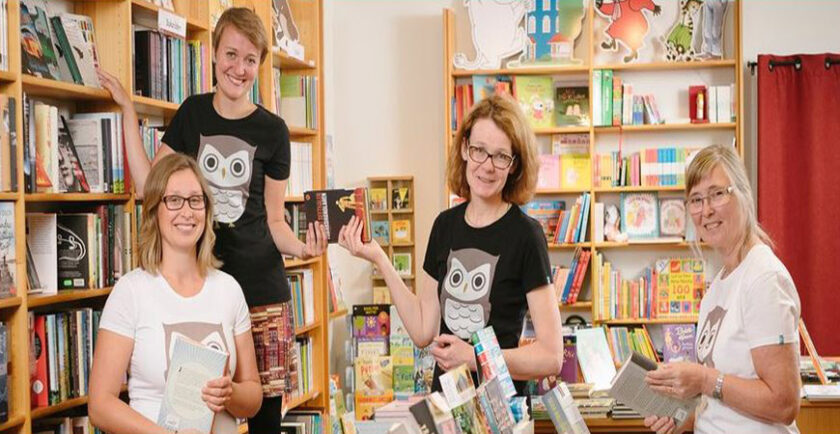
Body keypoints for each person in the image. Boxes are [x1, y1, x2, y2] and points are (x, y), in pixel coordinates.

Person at [96, 7, 326, 430]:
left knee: (262, 420)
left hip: (259, 292)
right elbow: (151, 188)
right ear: (214, 54)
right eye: (231, 55)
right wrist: (128, 111)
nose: (239, 68)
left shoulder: (274, 131)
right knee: (190, 405)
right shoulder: (192, 114)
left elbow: (275, 222)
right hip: (199, 284)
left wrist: (304, 247)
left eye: (250, 59)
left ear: (260, 64)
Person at [339, 94, 564, 393]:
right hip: (447, 405)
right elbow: (423, 329)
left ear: (513, 165)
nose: (487, 166)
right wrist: (380, 258)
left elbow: (551, 356)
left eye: (500, 156)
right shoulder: (444, 226)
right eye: (479, 150)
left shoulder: (526, 235)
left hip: (500, 409)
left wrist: (474, 358)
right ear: (464, 149)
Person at [89, 153, 262, 434]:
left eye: (195, 200)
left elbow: (253, 399)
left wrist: (230, 393)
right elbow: (100, 405)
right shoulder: (131, 292)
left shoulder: (229, 289)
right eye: (174, 200)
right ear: (154, 211)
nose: (187, 212)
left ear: (206, 210)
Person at [644, 144, 801, 434]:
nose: (706, 210)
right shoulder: (717, 286)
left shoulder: (763, 278)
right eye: (696, 200)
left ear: (743, 194)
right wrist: (681, 420)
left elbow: (784, 403)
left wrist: (704, 379)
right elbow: (719, 403)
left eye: (717, 194)